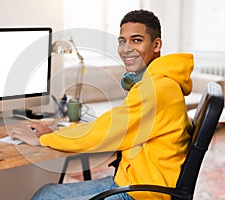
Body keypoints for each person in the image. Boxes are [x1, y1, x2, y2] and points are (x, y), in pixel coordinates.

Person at [10, 9, 194, 200]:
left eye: (136, 40)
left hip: (144, 192)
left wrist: (45, 139)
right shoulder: (154, 82)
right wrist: (53, 134)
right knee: (46, 193)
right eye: (122, 40)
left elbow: (105, 132)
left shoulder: (156, 88)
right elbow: (112, 124)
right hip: (130, 179)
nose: (126, 48)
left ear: (156, 45)